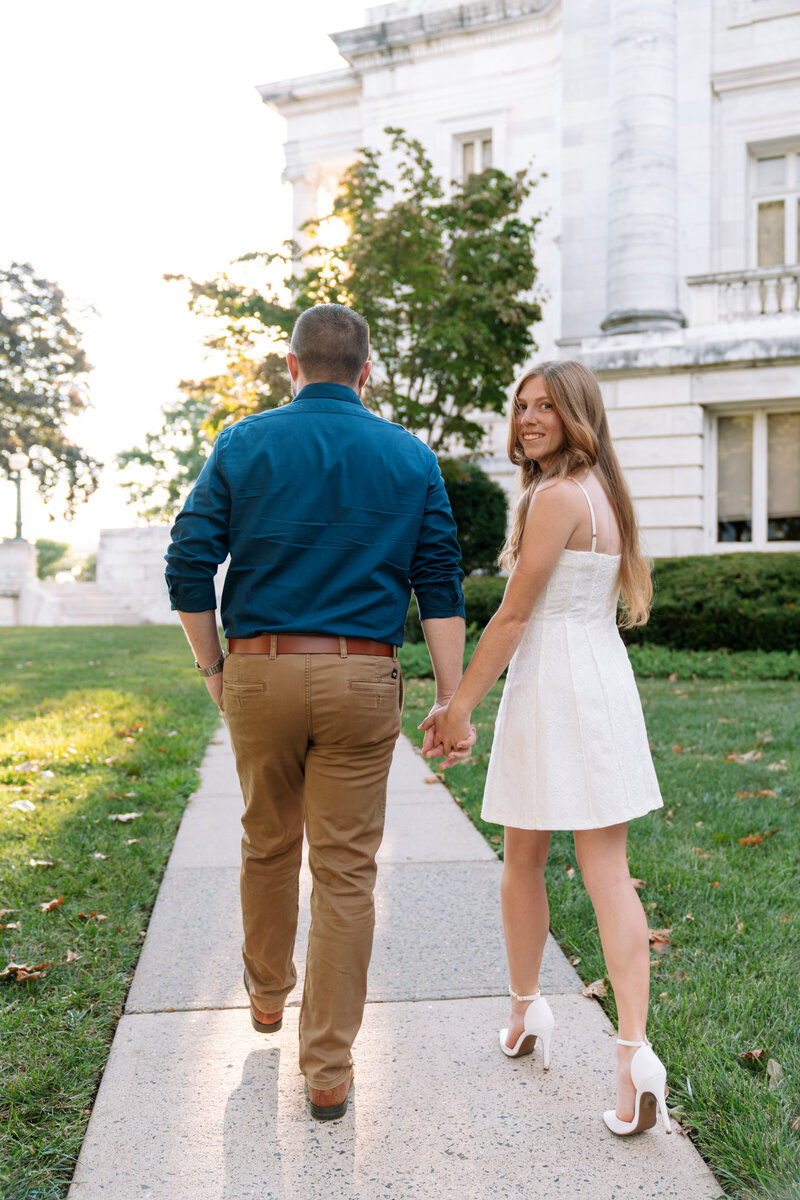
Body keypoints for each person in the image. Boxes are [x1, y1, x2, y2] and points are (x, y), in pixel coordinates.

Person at [165, 303, 472, 1121]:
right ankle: (328, 1071)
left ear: (291, 366)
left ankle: (267, 994)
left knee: (268, 840)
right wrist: (451, 698)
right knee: (346, 872)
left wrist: (211, 666)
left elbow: (188, 559)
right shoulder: (410, 456)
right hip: (361, 679)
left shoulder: (243, 442)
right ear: (366, 373)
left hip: (261, 672)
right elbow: (439, 581)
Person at [421, 359, 671, 1137]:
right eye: (521, 405)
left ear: (577, 415)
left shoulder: (555, 496)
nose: (528, 419)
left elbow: (515, 616)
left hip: (552, 684)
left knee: (525, 859)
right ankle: (628, 1051)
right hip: (601, 678)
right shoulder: (604, 492)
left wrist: (457, 707)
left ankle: (533, 1015)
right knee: (606, 869)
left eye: (545, 408)